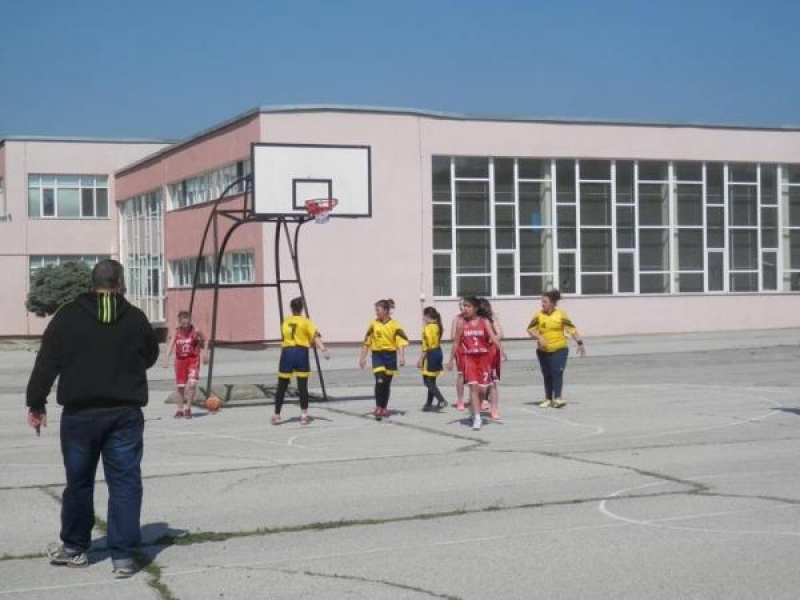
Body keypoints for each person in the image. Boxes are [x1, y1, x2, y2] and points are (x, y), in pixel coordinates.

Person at [26, 259, 159, 578]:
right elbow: (151, 355)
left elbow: (47, 362)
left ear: (92, 282)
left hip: (80, 416)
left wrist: (36, 403)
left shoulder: (68, 316)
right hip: (124, 414)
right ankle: (123, 557)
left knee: (79, 483)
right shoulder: (136, 317)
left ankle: (74, 548)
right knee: (125, 482)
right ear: (119, 282)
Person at [448, 297, 506, 430]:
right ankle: (477, 418)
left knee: (482, 389)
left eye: (468, 306)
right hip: (469, 358)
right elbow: (456, 342)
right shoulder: (461, 323)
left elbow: (493, 337)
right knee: (473, 387)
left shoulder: (484, 321)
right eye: (464, 306)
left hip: (484, 358)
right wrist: (450, 360)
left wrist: (502, 351)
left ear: (475, 308)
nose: (465, 309)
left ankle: (475, 410)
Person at [272, 297, 330, 426]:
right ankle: (303, 416)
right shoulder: (306, 322)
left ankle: (276, 415)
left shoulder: (285, 322)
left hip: (287, 353)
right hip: (301, 353)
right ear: (302, 308)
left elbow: (290, 336)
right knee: (302, 386)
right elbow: (314, 337)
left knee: (282, 386)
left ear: (291, 308)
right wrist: (323, 349)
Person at [526, 289, 585, 408]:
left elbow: (571, 329)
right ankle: (548, 398)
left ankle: (558, 398)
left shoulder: (561, 315)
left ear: (552, 303)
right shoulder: (539, 315)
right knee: (547, 374)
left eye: (545, 302)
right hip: (543, 351)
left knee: (557, 371)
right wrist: (539, 337)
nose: (542, 304)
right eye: (542, 302)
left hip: (560, 349)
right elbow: (530, 329)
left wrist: (580, 342)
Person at [359, 298, 409, 420]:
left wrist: (402, 357)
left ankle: (384, 407)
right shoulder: (373, 324)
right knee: (379, 380)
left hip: (390, 356)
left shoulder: (395, 325)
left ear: (386, 311)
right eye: (376, 310)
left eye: (378, 310)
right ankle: (378, 406)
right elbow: (367, 342)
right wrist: (363, 357)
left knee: (386, 384)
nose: (376, 312)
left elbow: (400, 343)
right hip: (377, 355)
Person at [162, 310, 205, 419]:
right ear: (180, 322)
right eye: (184, 323)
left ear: (190, 321)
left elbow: (205, 339)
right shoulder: (176, 332)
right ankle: (180, 409)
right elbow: (170, 345)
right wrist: (166, 359)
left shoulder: (195, 331)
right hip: (180, 361)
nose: (186, 325)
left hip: (193, 360)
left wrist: (205, 354)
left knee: (192, 384)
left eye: (188, 322)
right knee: (180, 386)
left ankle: (188, 409)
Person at [417, 306, 447, 411]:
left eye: (424, 316)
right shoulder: (437, 325)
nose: (423, 319)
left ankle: (441, 399)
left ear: (428, 316)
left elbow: (427, 346)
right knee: (432, 381)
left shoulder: (429, 327)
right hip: (438, 352)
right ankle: (428, 404)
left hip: (431, 354)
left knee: (427, 381)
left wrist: (421, 359)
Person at [478, 298, 503, 420]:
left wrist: (491, 339)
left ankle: (494, 409)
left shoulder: (491, 319)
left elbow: (500, 333)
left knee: (492, 383)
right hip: (477, 354)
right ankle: (479, 404)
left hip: (491, 354)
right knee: (478, 384)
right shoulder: (472, 321)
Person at [449, 299, 467, 411]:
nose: (462, 307)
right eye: (460, 305)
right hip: (461, 350)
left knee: (476, 376)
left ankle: (480, 399)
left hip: (473, 350)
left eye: (464, 305)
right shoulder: (457, 318)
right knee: (461, 375)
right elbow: (452, 336)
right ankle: (460, 400)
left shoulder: (476, 318)